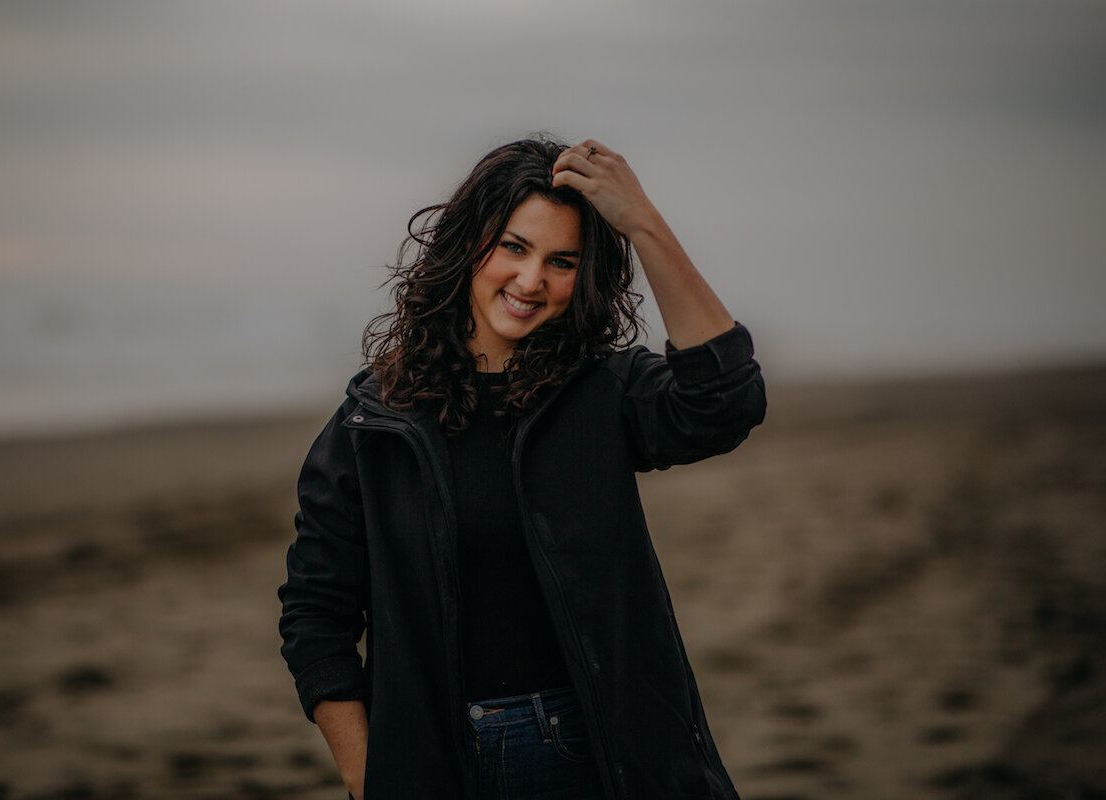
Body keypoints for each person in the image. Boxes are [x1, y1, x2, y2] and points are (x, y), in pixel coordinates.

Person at [278, 137, 766, 800]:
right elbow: (316, 616)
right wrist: (370, 778)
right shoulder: (374, 426)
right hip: (445, 763)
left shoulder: (603, 393)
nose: (532, 280)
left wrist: (643, 222)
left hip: (603, 755)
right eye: (514, 247)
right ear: (467, 245)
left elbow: (725, 403)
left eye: (561, 261)